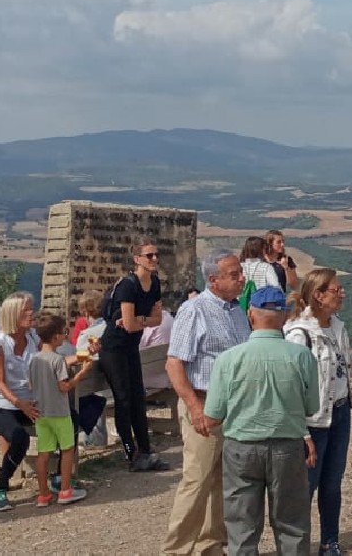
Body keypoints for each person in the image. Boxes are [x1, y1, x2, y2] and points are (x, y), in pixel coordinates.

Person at [204, 286, 319, 556]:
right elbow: (312, 408)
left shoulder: (228, 359)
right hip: (287, 446)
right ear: (285, 316)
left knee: (241, 525)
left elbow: (213, 415)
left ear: (250, 315)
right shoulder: (302, 356)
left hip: (241, 446)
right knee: (292, 523)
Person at [285, 268, 352, 556]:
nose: (342, 294)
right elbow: (291, 386)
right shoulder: (299, 334)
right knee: (306, 486)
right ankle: (296, 545)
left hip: (339, 412)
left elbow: (341, 369)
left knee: (332, 483)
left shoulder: (337, 326)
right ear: (318, 295)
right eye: (336, 290)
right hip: (313, 420)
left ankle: (330, 542)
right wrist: (301, 431)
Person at [164, 250, 251, 556]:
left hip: (234, 407)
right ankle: (177, 550)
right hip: (204, 402)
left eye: (240, 273)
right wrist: (194, 407)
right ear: (214, 280)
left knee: (224, 482)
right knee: (197, 480)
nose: (242, 279)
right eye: (234, 275)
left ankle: (211, 545)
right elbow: (174, 363)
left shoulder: (237, 311)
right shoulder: (194, 310)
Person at [100, 235, 170, 472]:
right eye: (149, 255)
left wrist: (139, 320)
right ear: (137, 259)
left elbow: (155, 320)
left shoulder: (155, 283)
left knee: (138, 398)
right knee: (123, 399)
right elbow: (130, 325)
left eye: (156, 254)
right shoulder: (129, 286)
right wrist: (142, 320)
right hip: (113, 349)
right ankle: (131, 453)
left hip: (131, 347)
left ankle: (146, 451)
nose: (155, 259)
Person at [0, 291, 41, 511]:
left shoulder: (33, 337)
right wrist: (20, 404)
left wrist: (83, 355)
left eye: (32, 308)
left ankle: (57, 475)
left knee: (68, 419)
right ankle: (0, 486)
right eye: (26, 310)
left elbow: (52, 359)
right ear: (13, 314)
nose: (32, 313)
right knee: (19, 436)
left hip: (26, 402)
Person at [27, 312, 92, 507]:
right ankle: (65, 490)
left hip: (41, 413)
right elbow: (64, 386)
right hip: (60, 412)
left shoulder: (34, 359)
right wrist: (82, 373)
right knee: (67, 449)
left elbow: (31, 385)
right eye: (64, 332)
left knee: (43, 453)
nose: (65, 336)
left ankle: (43, 494)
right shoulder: (57, 360)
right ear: (56, 337)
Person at [71, 290, 109, 447]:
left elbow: (80, 359)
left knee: (84, 390)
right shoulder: (112, 328)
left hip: (95, 388)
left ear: (85, 312)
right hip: (113, 385)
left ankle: (93, 438)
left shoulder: (87, 335)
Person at [240, 236, 284, 304]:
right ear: (261, 250)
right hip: (260, 305)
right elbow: (276, 287)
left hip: (240, 304)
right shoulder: (266, 267)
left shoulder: (239, 266)